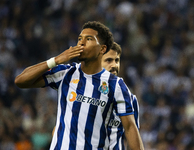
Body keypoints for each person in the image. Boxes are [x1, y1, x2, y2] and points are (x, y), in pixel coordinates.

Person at [15, 21, 144, 150]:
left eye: (88, 39)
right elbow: (21, 81)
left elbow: (130, 128)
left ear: (102, 49)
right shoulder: (66, 73)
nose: (81, 43)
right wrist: (55, 60)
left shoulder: (116, 85)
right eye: (79, 39)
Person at [102, 42, 140, 150]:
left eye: (117, 60)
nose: (114, 65)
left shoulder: (131, 100)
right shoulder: (83, 94)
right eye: (108, 60)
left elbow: (132, 139)